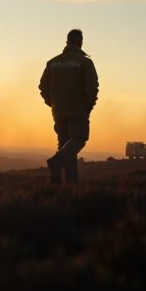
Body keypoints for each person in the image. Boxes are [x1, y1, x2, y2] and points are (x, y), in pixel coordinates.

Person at [39, 29, 99, 184]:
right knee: (79, 138)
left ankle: (65, 181)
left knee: (65, 145)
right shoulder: (84, 62)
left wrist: (52, 103)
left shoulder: (52, 63)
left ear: (67, 42)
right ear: (81, 42)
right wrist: (89, 106)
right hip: (78, 109)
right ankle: (56, 162)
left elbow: (42, 87)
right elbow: (92, 86)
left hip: (58, 111)